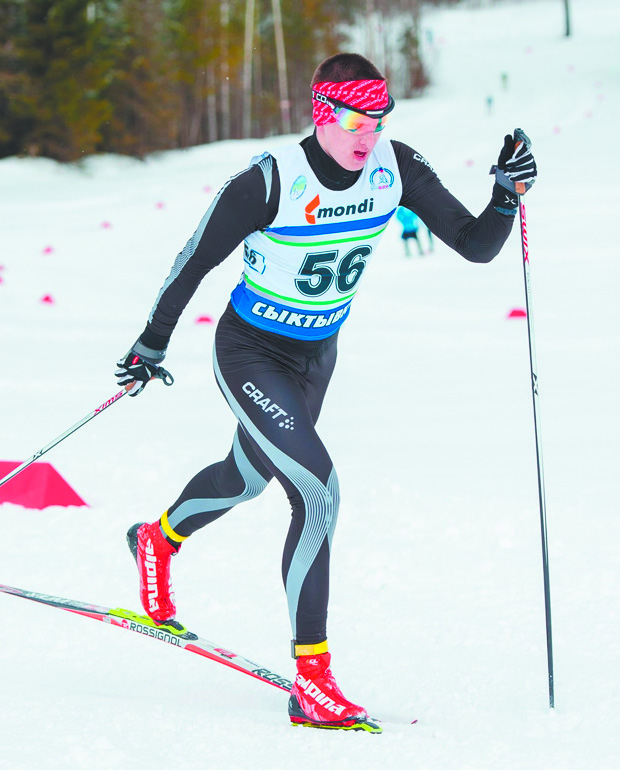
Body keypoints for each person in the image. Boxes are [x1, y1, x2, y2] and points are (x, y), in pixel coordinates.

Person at [114, 53, 537, 732]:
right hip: (249, 351)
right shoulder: (270, 180)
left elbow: (474, 244)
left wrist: (506, 196)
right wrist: (151, 343)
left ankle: (157, 542)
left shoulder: (395, 167)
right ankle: (312, 681)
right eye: (355, 119)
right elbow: (193, 258)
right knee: (317, 492)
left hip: (315, 360)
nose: (368, 133)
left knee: (245, 478)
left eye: (379, 118)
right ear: (322, 113)